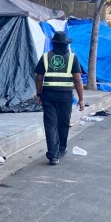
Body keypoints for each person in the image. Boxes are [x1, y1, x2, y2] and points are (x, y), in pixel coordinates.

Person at [34, 31, 85, 165]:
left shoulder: (46, 57)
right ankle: (61, 149)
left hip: (49, 95)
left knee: (50, 124)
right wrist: (81, 99)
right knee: (63, 123)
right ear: (66, 44)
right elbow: (78, 80)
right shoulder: (72, 58)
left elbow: (39, 78)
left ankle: (53, 155)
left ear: (54, 43)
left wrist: (38, 94)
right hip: (66, 95)